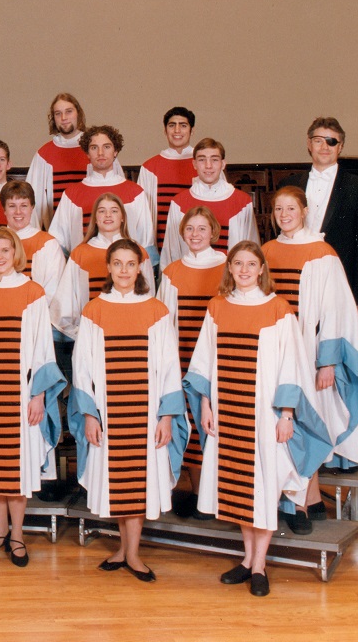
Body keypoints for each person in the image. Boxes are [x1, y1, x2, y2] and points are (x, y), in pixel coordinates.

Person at [184, 241, 332, 597]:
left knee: (262, 489)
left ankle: (260, 565)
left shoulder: (278, 309)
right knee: (238, 488)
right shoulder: (217, 306)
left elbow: (291, 364)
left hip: (264, 415)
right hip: (226, 411)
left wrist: (286, 413)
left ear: (262, 269)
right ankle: (248, 560)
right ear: (230, 268)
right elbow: (204, 359)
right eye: (239, 264)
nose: (245, 270)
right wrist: (205, 405)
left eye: (252, 264)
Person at [68, 239, 186, 583]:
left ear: (140, 268)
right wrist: (90, 413)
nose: (123, 270)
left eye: (130, 264)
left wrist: (166, 416)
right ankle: (124, 549)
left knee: (137, 479)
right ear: (108, 268)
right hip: (107, 411)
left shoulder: (156, 310)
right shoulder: (95, 309)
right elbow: (82, 366)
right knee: (115, 480)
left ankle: (132, 554)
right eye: (117, 263)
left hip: (145, 412)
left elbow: (169, 365)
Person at [262, 186, 358, 532]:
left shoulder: (321, 252)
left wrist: (327, 361)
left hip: (309, 353)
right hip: (273, 352)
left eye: (291, 208)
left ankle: (303, 502)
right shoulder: (266, 250)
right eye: (278, 209)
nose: (284, 215)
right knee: (279, 427)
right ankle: (301, 500)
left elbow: (335, 310)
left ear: (305, 210)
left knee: (308, 425)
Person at [0, 228, 65, 566]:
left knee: (16, 468)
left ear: (15, 252)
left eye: (6, 250)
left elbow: (42, 348)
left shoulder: (33, 291)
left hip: (21, 393)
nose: (0, 256)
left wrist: (38, 395)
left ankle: (17, 536)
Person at [155, 206, 226, 516]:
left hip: (220, 355)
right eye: (190, 229)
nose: (195, 235)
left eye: (202, 228)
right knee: (194, 423)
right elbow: (163, 321)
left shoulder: (227, 264)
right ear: (182, 234)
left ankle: (221, 495)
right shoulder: (172, 271)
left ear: (213, 232)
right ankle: (198, 494)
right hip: (184, 354)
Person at [278, 117, 358, 329]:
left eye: (332, 141)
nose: (325, 147)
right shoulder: (289, 183)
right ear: (309, 144)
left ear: (340, 147)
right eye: (318, 140)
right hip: (294, 282)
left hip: (339, 285)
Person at [53, 193, 156, 339]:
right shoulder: (80, 253)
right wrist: (82, 336)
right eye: (102, 211)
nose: (108, 215)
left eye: (114, 211)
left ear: (122, 218)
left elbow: (147, 295)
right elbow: (65, 306)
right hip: (92, 333)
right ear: (95, 218)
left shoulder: (139, 252)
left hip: (133, 331)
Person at [50, 125, 154, 258]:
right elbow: (59, 242)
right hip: (85, 267)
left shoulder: (135, 193)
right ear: (87, 153)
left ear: (115, 151)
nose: (100, 153)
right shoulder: (72, 194)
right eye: (94, 147)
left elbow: (145, 243)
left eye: (106, 147)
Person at [160, 138, 258, 269]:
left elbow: (251, 250)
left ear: (223, 164)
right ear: (194, 164)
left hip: (228, 279)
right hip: (190, 276)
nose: (208, 166)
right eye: (202, 159)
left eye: (214, 159)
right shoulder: (179, 203)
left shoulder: (242, 202)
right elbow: (171, 251)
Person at [25, 93, 89, 230]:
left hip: (92, 232)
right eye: (58, 114)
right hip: (56, 233)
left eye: (69, 111)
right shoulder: (43, 155)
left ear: (78, 113)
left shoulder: (95, 149)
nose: (64, 118)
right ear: (53, 119)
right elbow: (32, 204)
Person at [138, 106, 196, 252]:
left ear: (191, 130)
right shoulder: (150, 167)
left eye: (183, 125)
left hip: (197, 243)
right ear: (165, 131)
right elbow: (143, 215)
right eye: (172, 125)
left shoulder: (205, 164)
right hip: (162, 245)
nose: (177, 130)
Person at [0, 181, 64, 299]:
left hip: (37, 314)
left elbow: (53, 292)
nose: (18, 212)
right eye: (12, 206)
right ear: (4, 209)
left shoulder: (48, 244)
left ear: (32, 208)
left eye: (24, 205)